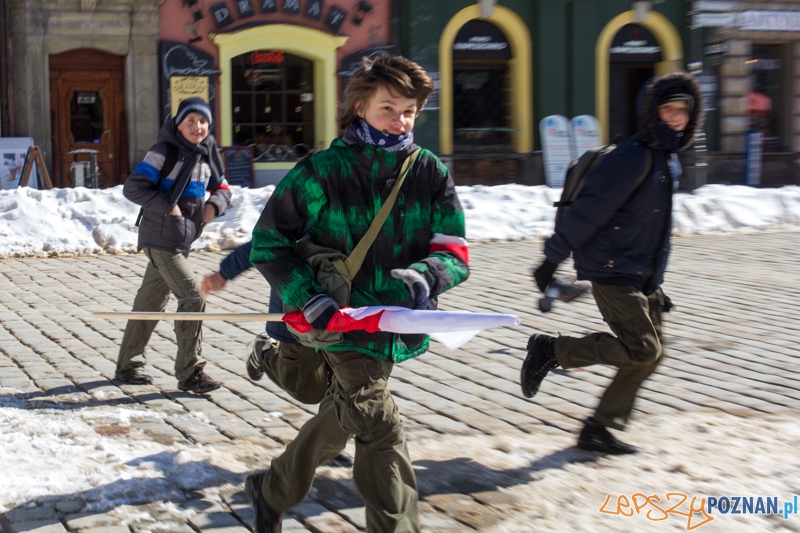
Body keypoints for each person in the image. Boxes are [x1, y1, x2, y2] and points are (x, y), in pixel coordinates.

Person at [243, 55, 470, 533]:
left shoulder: (428, 171)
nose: (400, 120)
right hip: (336, 318)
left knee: (347, 415)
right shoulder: (321, 170)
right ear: (361, 106)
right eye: (389, 108)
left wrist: (431, 275)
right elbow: (268, 244)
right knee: (379, 422)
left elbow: (454, 249)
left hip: (392, 322)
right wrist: (310, 297)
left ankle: (271, 490)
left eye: (409, 110)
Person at [521, 71, 703, 454]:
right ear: (652, 112)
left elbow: (653, 226)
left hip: (640, 273)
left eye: (682, 110)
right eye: (668, 109)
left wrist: (655, 281)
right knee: (643, 350)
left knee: (651, 355)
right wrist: (551, 259)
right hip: (612, 269)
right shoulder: (632, 156)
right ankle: (550, 351)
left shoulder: (667, 161)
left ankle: (598, 429)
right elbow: (589, 212)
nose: (675, 117)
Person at [114, 97, 232, 394]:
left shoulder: (208, 152)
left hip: (182, 239)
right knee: (193, 297)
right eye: (190, 121)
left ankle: (128, 365)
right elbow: (134, 187)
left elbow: (223, 188)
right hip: (160, 239)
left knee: (149, 303)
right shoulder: (164, 151)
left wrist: (213, 207)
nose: (198, 127)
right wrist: (171, 208)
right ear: (178, 125)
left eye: (203, 121)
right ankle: (189, 372)